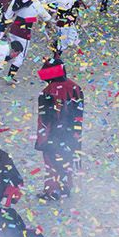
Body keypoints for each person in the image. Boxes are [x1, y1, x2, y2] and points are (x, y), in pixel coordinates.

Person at [34, 58, 84, 200]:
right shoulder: (76, 88)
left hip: (53, 135)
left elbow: (44, 120)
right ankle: (66, 188)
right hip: (71, 134)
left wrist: (41, 141)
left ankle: (52, 191)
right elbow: (79, 115)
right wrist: (77, 134)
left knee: (51, 162)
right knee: (66, 159)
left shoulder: (46, 92)